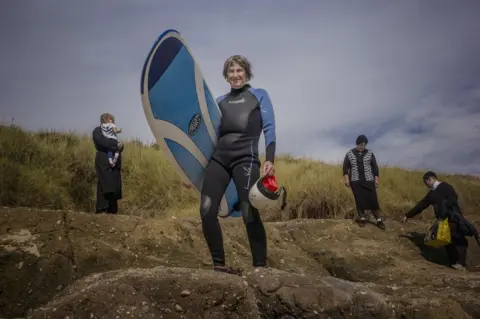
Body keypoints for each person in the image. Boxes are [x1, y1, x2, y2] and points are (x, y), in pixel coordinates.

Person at [199, 55, 276, 275]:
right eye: (231, 71)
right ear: (226, 76)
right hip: (219, 159)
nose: (235, 75)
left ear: (246, 73)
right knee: (206, 210)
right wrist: (192, 171)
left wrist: (270, 159)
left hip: (246, 158)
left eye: (239, 70)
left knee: (248, 211)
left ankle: (260, 267)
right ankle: (219, 265)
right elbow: (208, 137)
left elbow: (270, 127)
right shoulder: (219, 101)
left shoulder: (258, 95)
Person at [402, 171, 469, 271]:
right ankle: (454, 263)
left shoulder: (445, 186)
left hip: (453, 218)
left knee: (457, 240)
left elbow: (453, 198)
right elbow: (421, 205)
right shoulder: (432, 193)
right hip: (445, 221)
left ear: (430, 179)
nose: (426, 185)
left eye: (426, 182)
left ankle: (460, 263)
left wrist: (445, 209)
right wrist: (408, 215)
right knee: (448, 240)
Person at [342, 134, 385, 229]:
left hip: (369, 180)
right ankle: (362, 218)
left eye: (364, 145)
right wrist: (346, 179)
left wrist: (376, 179)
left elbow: (375, 167)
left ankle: (378, 220)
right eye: (361, 145)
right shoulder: (350, 154)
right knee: (359, 201)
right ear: (357, 144)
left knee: (373, 200)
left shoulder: (370, 153)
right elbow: (345, 168)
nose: (362, 147)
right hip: (355, 181)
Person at [92, 113, 124, 214]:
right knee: (104, 184)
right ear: (104, 119)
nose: (110, 121)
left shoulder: (113, 134)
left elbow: (120, 146)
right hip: (104, 160)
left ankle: (112, 210)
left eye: (111, 119)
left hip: (115, 161)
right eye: (108, 119)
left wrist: (120, 145)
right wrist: (115, 144)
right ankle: (102, 209)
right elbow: (101, 141)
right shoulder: (98, 130)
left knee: (114, 186)